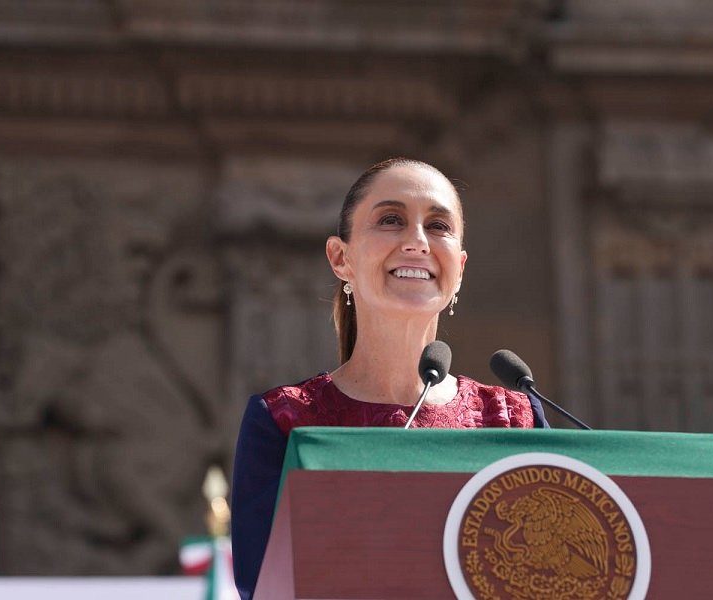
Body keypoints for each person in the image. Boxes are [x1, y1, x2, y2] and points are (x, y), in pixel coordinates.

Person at [230, 157, 548, 599]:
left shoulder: (514, 417)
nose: (417, 241)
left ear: (459, 268)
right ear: (341, 258)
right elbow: (265, 585)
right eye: (391, 220)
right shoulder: (285, 420)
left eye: (438, 226)